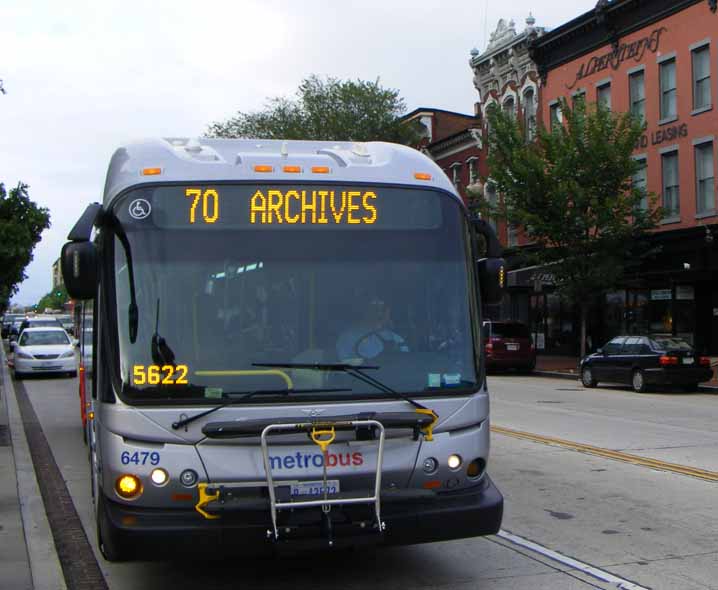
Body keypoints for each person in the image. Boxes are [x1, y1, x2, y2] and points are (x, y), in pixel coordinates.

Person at [336, 296, 409, 361]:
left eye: (383, 309)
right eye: (374, 308)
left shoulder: (396, 338)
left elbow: (405, 364)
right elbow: (345, 369)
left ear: (388, 313)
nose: (379, 313)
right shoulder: (348, 336)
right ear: (365, 311)